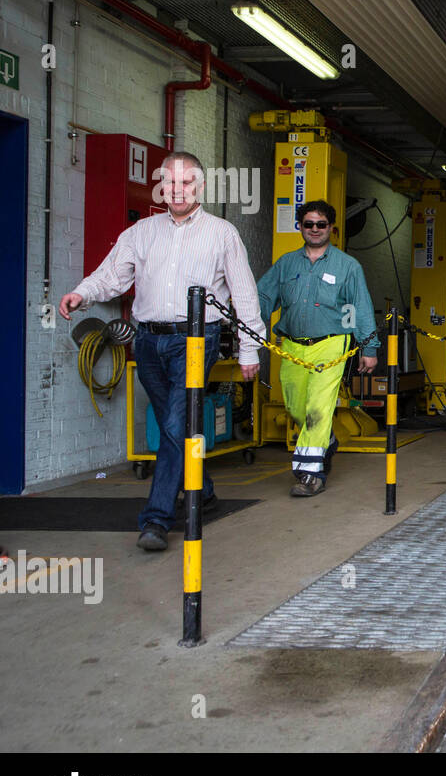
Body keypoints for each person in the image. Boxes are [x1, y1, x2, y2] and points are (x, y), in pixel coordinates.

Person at [60, 151, 264, 552]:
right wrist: (81, 293)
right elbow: (112, 276)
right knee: (177, 425)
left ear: (200, 187)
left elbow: (244, 294)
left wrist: (249, 349)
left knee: (173, 425)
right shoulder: (141, 233)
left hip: (195, 339)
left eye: (186, 182)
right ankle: (201, 491)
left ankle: (156, 519)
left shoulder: (222, 234)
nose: (177, 189)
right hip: (148, 341)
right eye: (170, 182)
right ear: (160, 185)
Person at [257, 201, 378, 496]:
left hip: (332, 344)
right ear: (300, 226)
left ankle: (310, 474)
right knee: (297, 407)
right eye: (308, 224)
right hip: (293, 346)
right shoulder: (286, 264)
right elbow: (262, 297)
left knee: (317, 408)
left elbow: (358, 307)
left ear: (331, 229)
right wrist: (248, 329)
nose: (314, 229)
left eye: (320, 224)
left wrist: (368, 347)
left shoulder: (347, 267)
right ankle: (327, 439)